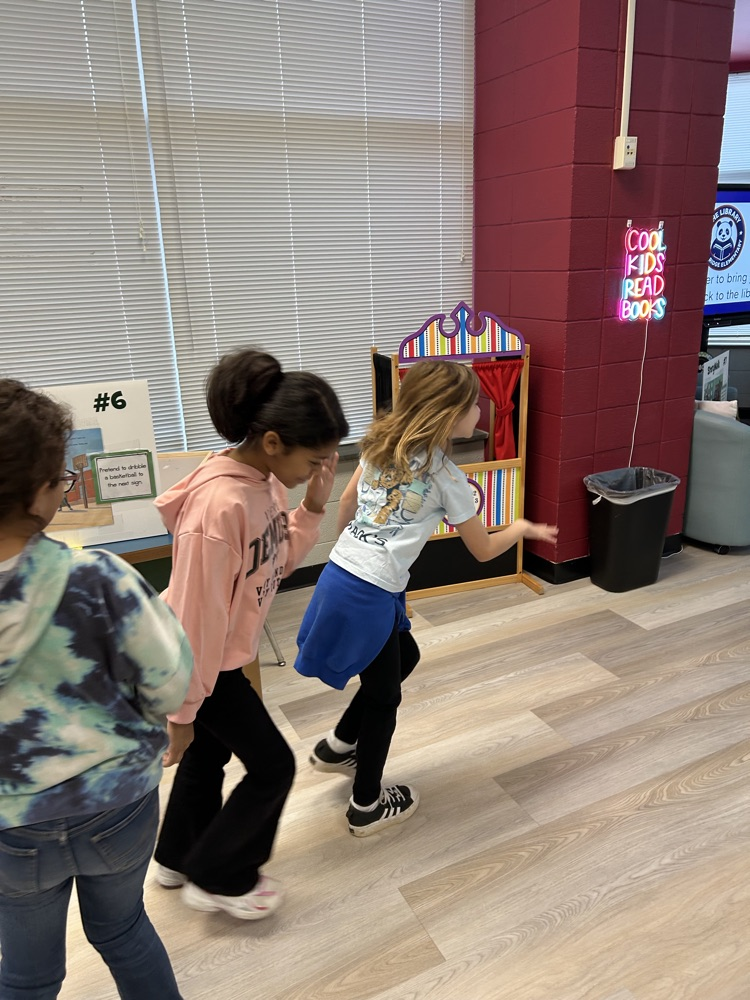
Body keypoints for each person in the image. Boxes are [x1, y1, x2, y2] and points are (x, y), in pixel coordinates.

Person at [294, 359, 558, 837]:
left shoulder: (380, 447)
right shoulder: (446, 478)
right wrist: (520, 527)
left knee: (406, 655)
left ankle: (338, 746)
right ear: (448, 413)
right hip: (369, 591)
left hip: (341, 574)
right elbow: (483, 551)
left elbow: (348, 504)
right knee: (384, 698)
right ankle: (366, 806)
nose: (479, 410)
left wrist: (359, 554)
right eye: (472, 404)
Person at [0, 379, 193, 1000]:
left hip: (11, 824)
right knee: (123, 930)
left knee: (28, 974)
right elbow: (170, 683)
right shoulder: (99, 578)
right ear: (39, 491)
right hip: (117, 803)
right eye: (61, 478)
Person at [153, 348, 348, 920]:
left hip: (219, 659)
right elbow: (196, 622)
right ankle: (221, 876)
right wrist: (182, 713)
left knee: (209, 755)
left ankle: (176, 857)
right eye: (313, 460)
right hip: (202, 663)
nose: (318, 470)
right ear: (272, 442)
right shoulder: (217, 509)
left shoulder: (265, 484)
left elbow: (275, 564)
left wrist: (312, 507)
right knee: (273, 767)